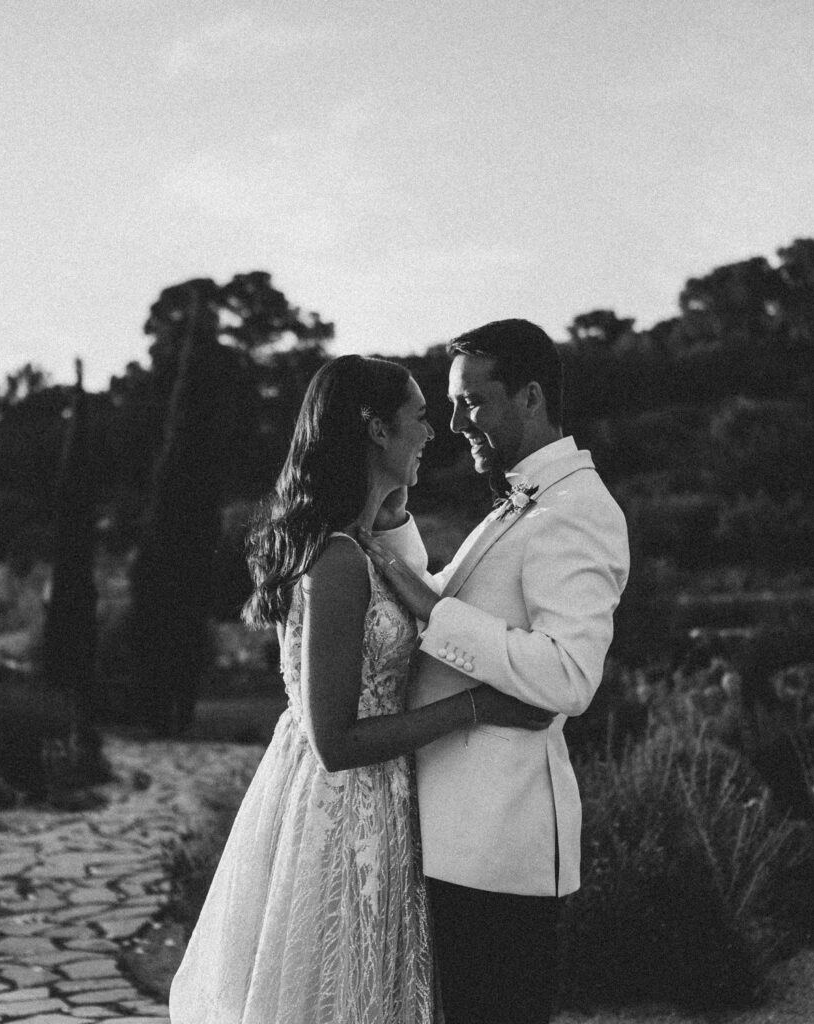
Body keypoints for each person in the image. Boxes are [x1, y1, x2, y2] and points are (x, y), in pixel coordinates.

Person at [169, 354, 550, 1024]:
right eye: (419, 418)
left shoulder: (363, 542)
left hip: (382, 799)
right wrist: (477, 707)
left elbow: (416, 590)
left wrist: (393, 505)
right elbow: (335, 743)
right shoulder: (340, 560)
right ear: (376, 429)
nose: (432, 434)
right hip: (349, 810)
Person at [361, 320, 630, 1024]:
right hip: (458, 843)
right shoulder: (522, 501)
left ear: (531, 396)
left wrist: (433, 612)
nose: (454, 424)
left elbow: (569, 676)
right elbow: (444, 598)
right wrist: (393, 522)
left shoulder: (577, 511)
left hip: (501, 853)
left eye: (472, 403)